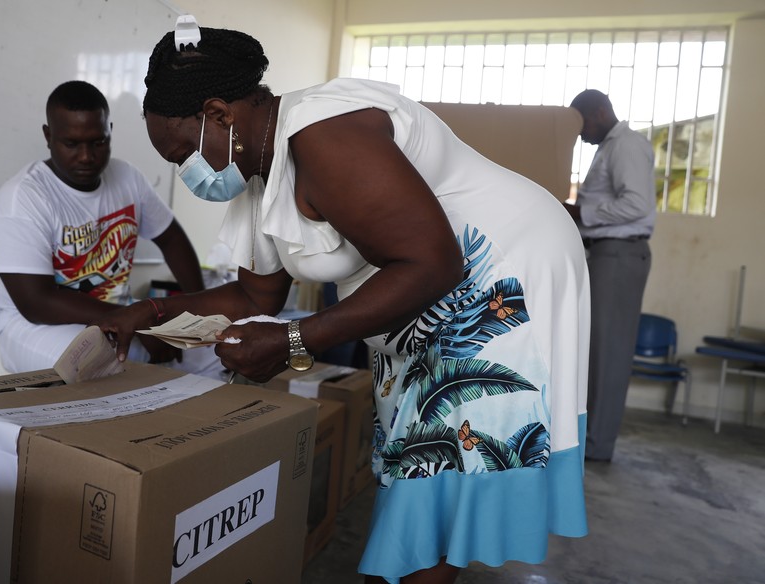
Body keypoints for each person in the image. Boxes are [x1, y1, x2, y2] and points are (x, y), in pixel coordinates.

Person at [96, 24, 590, 584]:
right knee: (418, 461)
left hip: (501, 265)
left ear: (219, 113)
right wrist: (151, 314)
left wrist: (292, 340)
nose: (186, 173)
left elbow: (433, 264)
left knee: (436, 461)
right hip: (425, 290)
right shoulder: (259, 172)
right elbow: (257, 294)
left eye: (183, 153)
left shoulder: (325, 135)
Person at [0, 80, 221, 376]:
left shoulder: (127, 177)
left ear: (109, 131)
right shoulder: (22, 198)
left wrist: (193, 313)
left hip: (118, 315)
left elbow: (172, 239)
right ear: (48, 136)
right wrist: (137, 321)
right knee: (99, 365)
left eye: (98, 142)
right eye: (71, 144)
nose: (86, 156)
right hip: (37, 329)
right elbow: (36, 302)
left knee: (218, 350)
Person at [563, 89, 656, 462]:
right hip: (604, 255)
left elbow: (637, 204)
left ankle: (598, 445)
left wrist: (582, 214)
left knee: (608, 353)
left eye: (582, 123)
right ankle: (590, 438)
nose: (581, 133)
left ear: (600, 112)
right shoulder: (608, 148)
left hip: (619, 255)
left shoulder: (626, 145)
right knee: (595, 349)